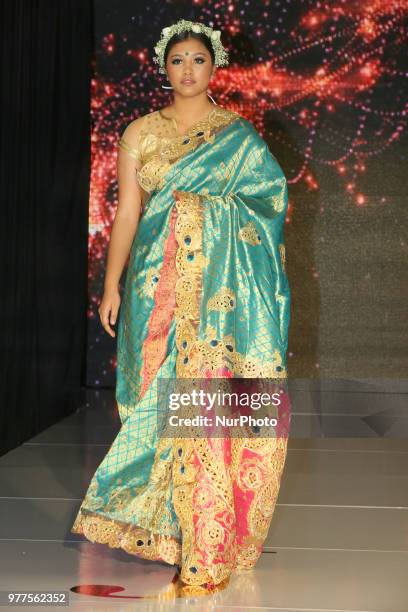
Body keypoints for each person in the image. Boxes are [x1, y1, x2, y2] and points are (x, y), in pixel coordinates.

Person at [71, 18, 291, 593]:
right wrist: (112, 283)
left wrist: (206, 214)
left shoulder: (237, 137)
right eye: (177, 61)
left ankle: (208, 538)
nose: (188, 70)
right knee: (152, 405)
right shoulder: (139, 133)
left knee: (207, 406)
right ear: (163, 68)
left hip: (219, 304)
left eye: (198, 59)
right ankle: (171, 529)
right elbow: (127, 215)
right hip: (154, 290)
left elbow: (267, 205)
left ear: (214, 67)